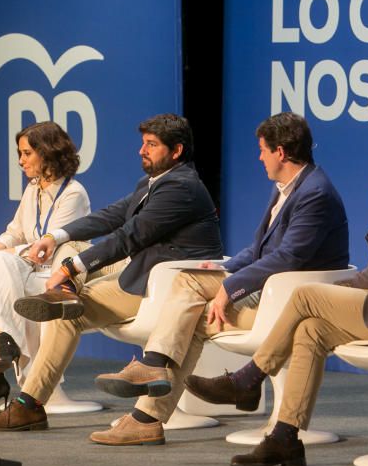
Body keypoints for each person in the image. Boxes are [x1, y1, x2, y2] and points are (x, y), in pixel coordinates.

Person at [186, 121, 368, 466]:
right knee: (311, 329)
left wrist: (333, 293)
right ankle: (285, 437)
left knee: (306, 297)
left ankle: (248, 379)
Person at [90, 112, 349, 445]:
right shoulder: (290, 187)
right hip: (275, 290)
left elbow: (288, 258)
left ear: (281, 152)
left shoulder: (315, 193)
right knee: (193, 291)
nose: (259, 157)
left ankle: (152, 380)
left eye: (263, 150)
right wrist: (221, 268)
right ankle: (146, 415)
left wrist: (228, 286)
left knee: (190, 288)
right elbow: (258, 249)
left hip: (291, 302)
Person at [0, 113, 223, 433]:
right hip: (145, 269)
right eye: (142, 143)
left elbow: (129, 236)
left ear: (176, 151)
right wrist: (57, 237)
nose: (141, 150)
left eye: (151, 145)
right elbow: (112, 216)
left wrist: (70, 269)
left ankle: (30, 404)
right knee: (74, 247)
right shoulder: (155, 182)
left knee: (68, 314)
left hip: (163, 284)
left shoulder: (182, 188)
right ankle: (65, 292)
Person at [0, 122, 90, 414]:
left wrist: (5, 253)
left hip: (58, 277)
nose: (20, 161)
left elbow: (50, 247)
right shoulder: (33, 189)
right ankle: (5, 348)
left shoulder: (73, 193)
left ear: (47, 154)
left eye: (26, 153)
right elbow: (15, 231)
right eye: (19, 154)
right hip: (28, 272)